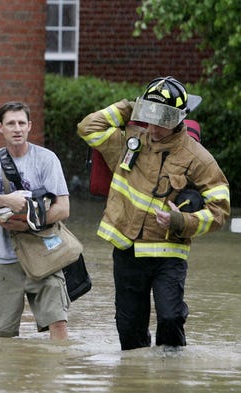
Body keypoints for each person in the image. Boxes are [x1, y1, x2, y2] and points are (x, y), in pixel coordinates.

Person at [77, 76, 230, 350]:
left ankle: (170, 380)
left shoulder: (198, 158)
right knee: (129, 330)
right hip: (127, 249)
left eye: (164, 118)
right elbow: (89, 127)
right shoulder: (129, 140)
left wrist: (181, 220)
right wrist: (132, 107)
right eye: (151, 115)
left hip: (168, 254)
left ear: (180, 118)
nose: (155, 126)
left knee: (170, 319)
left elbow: (220, 210)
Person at [0, 101, 70, 340]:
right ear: (0, 128)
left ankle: (55, 373)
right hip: (3, 258)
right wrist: (7, 200)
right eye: (10, 123)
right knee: (0, 337)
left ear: (29, 126)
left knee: (58, 324)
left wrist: (29, 221)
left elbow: (64, 208)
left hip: (44, 255)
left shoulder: (47, 159)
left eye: (21, 123)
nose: (16, 128)